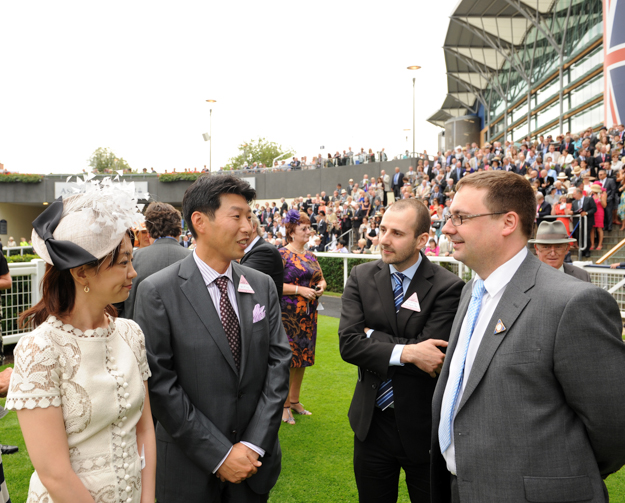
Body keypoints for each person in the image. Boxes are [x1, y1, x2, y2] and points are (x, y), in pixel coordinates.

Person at [432, 171, 625, 502]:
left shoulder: (573, 303)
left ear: (508, 223)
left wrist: (558, 477)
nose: (448, 229)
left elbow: (614, 426)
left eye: (460, 217)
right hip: (460, 489)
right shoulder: (470, 293)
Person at [134, 176, 291, 503]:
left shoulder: (261, 285)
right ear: (199, 221)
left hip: (253, 466)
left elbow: (279, 364)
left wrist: (251, 445)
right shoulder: (158, 291)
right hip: (187, 471)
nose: (248, 227)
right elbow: (161, 384)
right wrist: (219, 455)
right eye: (237, 216)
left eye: (249, 216)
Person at [7, 181, 156, 502]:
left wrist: (148, 498)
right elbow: (54, 472)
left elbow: (144, 429)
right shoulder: (40, 349)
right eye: (122, 262)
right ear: (82, 273)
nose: (133, 272)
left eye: (132, 259)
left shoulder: (131, 333)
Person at [339, 199, 464, 503]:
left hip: (423, 428)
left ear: (422, 240)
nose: (384, 239)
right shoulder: (361, 276)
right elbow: (349, 344)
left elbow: (433, 356)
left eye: (396, 233)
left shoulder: (448, 287)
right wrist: (408, 352)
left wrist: (372, 336)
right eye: (382, 229)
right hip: (371, 424)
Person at [279, 210, 327, 425]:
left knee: (302, 360)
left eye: (309, 228)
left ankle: (295, 401)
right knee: (289, 361)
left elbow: (321, 279)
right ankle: (284, 405)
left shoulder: (310, 256)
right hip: (288, 316)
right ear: (291, 232)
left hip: (308, 315)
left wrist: (321, 288)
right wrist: (299, 289)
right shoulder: (281, 255)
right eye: (304, 229)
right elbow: (272, 284)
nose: (309, 232)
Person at [124, 201, 191, 320]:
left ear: (148, 233)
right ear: (180, 231)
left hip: (139, 333)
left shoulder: (130, 260)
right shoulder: (195, 260)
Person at [241, 213, 285, 298]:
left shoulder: (265, 251)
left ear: (253, 227)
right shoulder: (256, 249)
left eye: (241, 227)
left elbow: (240, 282)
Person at [590, 183, 607, 251]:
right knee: (592, 229)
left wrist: (601, 199)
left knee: (599, 229)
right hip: (593, 213)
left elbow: (604, 205)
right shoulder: (592, 196)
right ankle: (592, 244)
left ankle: (600, 244)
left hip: (599, 212)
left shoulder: (602, 195)